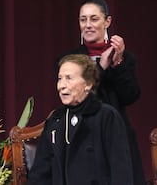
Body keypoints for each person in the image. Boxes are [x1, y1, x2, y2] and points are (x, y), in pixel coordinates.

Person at [57, 0, 145, 184]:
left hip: (117, 138)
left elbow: (131, 96)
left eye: (94, 19)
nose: (88, 25)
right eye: (83, 19)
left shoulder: (124, 58)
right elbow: (77, 96)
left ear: (107, 21)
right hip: (82, 138)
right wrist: (101, 68)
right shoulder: (69, 60)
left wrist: (118, 64)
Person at [27, 54, 133, 184]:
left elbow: (121, 173)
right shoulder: (55, 121)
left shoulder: (106, 117)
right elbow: (39, 175)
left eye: (69, 78)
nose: (62, 86)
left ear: (88, 84)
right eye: (60, 79)